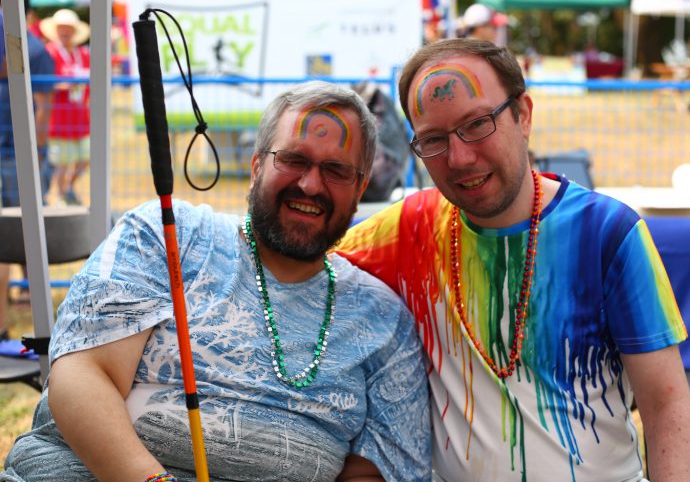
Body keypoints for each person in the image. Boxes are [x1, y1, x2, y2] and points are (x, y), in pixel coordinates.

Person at [2, 81, 431, 481]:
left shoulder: (383, 321)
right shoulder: (168, 235)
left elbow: (375, 472)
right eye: (294, 160)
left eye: (336, 170)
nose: (310, 184)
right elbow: (82, 375)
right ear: (257, 165)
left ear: (360, 188)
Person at [335, 39, 690, 481]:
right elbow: (301, 261)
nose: (459, 157)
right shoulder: (409, 229)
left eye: (477, 124)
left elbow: (667, 406)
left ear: (523, 115)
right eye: (433, 140)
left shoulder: (606, 232)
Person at [0, 0, 55, 341]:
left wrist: (36, 150)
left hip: (16, 150)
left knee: (21, 226)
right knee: (19, 226)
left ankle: (28, 296)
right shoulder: (26, 46)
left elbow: (43, 107)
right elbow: (43, 107)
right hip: (12, 150)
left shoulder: (32, 49)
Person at [40, 8, 91, 206]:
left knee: (86, 156)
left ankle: (68, 188)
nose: (65, 32)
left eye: (68, 28)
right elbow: (43, 84)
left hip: (80, 115)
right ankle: (59, 195)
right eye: (61, 28)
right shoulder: (49, 53)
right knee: (61, 161)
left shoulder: (82, 53)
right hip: (58, 116)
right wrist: (63, 85)